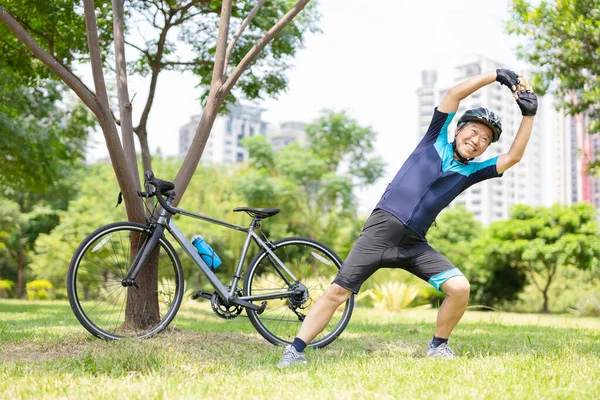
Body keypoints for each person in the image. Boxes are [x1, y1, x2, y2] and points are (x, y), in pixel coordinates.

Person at [276, 68, 538, 367]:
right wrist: (495, 76)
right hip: (380, 232)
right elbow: (453, 94)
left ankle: (439, 346)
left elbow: (513, 157)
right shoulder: (434, 140)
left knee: (460, 287)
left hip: (414, 244)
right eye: (474, 131)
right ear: (458, 129)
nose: (477, 140)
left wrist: (528, 115)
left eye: (485, 139)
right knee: (338, 291)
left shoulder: (471, 172)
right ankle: (294, 350)